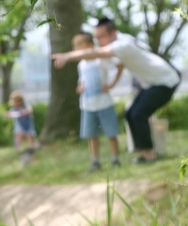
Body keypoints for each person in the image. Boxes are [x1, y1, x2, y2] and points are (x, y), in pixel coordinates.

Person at [53, 17, 180, 163]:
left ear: (113, 33)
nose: (99, 41)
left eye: (102, 36)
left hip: (166, 81)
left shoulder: (122, 45)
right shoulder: (123, 39)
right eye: (97, 37)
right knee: (130, 113)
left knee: (138, 114)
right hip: (153, 83)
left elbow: (96, 53)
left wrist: (68, 56)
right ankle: (145, 151)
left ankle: (149, 154)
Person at [72, 32, 124, 171]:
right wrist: (80, 86)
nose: (76, 50)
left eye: (79, 46)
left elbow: (119, 65)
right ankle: (95, 161)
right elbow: (81, 80)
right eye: (75, 47)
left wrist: (111, 84)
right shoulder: (81, 64)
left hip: (104, 103)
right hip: (88, 106)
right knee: (92, 135)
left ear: (90, 45)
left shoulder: (100, 60)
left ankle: (115, 159)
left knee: (111, 133)